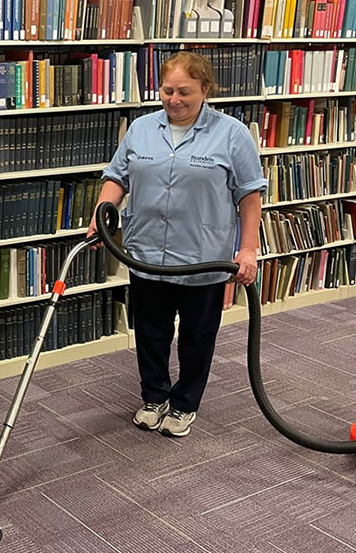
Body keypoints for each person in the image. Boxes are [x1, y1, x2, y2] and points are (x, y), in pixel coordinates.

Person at [88, 51, 266, 438]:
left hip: (203, 258)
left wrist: (248, 248)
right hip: (146, 253)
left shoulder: (232, 133)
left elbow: (249, 196)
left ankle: (185, 403)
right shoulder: (141, 129)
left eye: (184, 91)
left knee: (197, 337)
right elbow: (117, 177)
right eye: (167, 90)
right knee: (151, 332)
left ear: (205, 89)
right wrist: (102, 211)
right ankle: (154, 396)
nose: (174, 99)